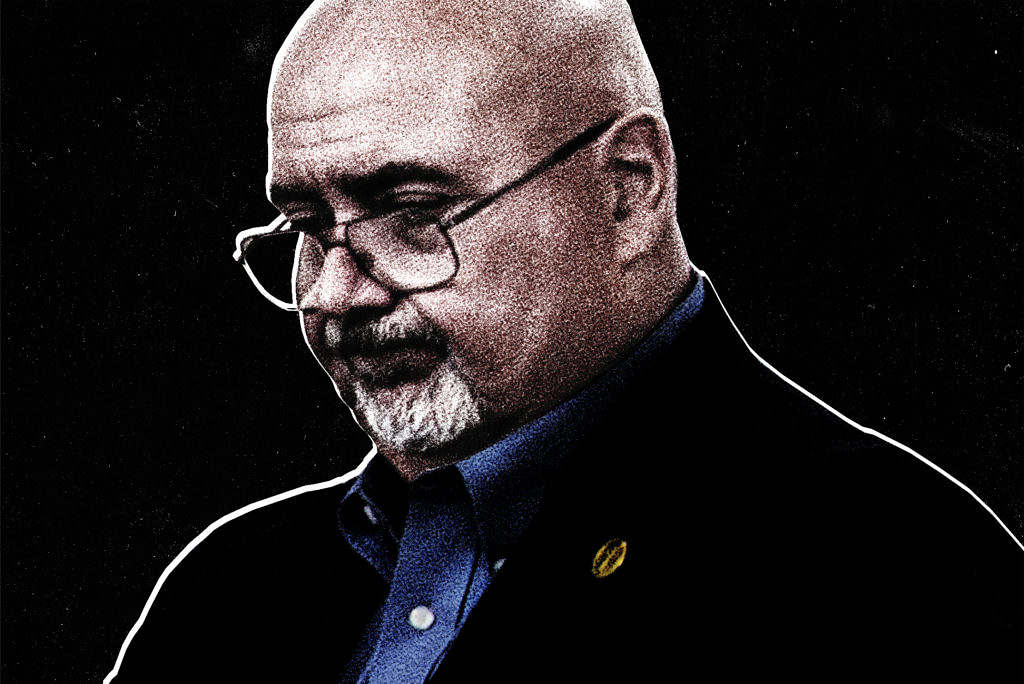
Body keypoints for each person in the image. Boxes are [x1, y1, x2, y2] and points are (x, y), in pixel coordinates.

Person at [106, 1, 1022, 681]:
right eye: (307, 226)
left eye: (414, 214)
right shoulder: (226, 593)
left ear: (630, 188)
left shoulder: (898, 577)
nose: (336, 292)